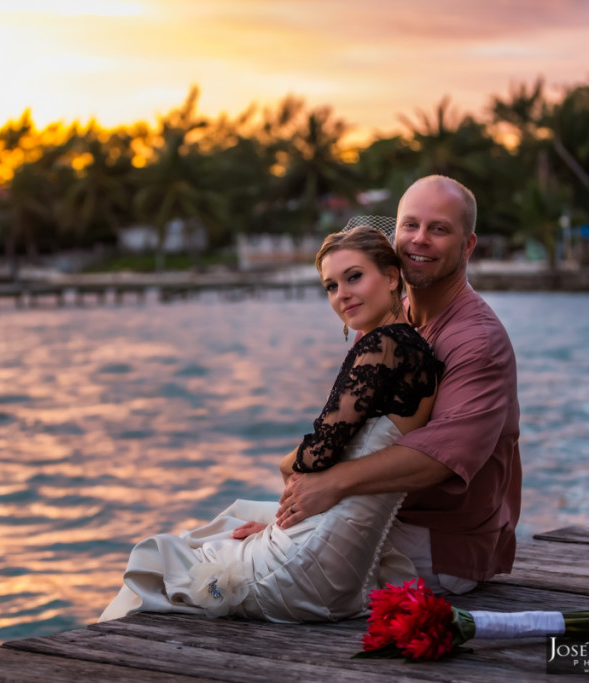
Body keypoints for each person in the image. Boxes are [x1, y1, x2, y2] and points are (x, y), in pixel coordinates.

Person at [100, 225, 444, 623]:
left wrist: (286, 465)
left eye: (354, 277)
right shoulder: (422, 354)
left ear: (390, 276)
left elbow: (319, 453)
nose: (342, 295)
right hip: (348, 574)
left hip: (308, 568)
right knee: (222, 534)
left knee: (163, 558)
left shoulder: (380, 346)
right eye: (331, 286)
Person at [276, 175, 521, 595]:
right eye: (410, 225)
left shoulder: (477, 341)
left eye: (439, 229)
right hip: (378, 512)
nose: (419, 239)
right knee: (230, 533)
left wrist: (331, 483)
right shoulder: (388, 317)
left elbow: (440, 459)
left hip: (438, 545)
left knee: (219, 562)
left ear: (467, 246)